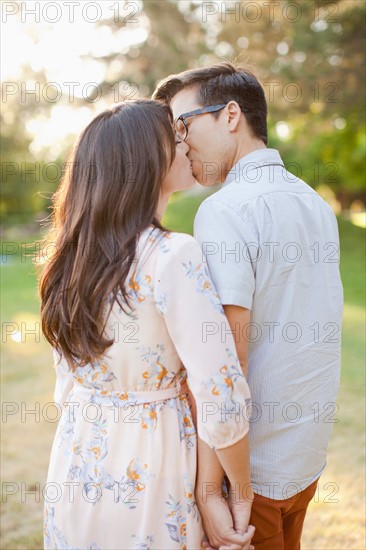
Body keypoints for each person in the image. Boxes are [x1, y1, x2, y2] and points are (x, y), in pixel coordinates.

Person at [39, 99, 255, 550]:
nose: (187, 146)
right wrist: (237, 489)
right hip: (151, 461)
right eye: (175, 139)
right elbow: (220, 390)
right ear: (146, 161)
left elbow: (66, 384)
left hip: (78, 455)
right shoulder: (174, 255)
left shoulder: (69, 259)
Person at [153, 63, 344, 550]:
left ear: (230, 115)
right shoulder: (314, 203)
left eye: (184, 125)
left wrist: (212, 488)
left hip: (252, 472)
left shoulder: (226, 210)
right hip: (304, 457)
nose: (181, 142)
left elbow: (225, 362)